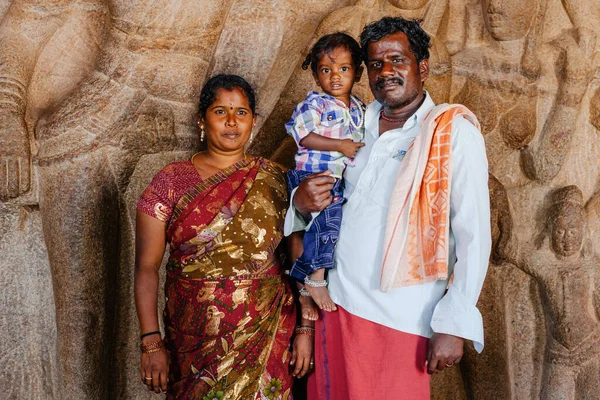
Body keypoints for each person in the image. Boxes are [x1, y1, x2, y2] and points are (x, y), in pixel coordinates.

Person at [285, 17, 491, 399]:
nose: (386, 72)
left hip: (399, 315)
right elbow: (315, 201)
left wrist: (454, 322)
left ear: (422, 67)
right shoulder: (353, 124)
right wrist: (299, 200)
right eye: (376, 63)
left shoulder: (450, 131)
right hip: (335, 303)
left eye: (397, 59)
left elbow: (474, 234)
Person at [134, 74, 314, 398]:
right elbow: (146, 267)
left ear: (254, 121)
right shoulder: (171, 182)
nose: (232, 122)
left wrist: (306, 327)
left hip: (268, 335)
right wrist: (150, 342)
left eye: (241, 113)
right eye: (220, 112)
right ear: (202, 120)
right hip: (193, 344)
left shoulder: (278, 180)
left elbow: (299, 260)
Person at [285, 32, 365, 317]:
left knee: (329, 228)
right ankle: (314, 278)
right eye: (326, 70)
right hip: (311, 175)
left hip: (337, 179)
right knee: (325, 223)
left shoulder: (359, 108)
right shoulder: (314, 104)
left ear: (357, 72)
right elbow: (304, 136)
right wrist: (339, 145)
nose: (335, 76)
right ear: (317, 76)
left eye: (344, 69)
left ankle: (304, 274)